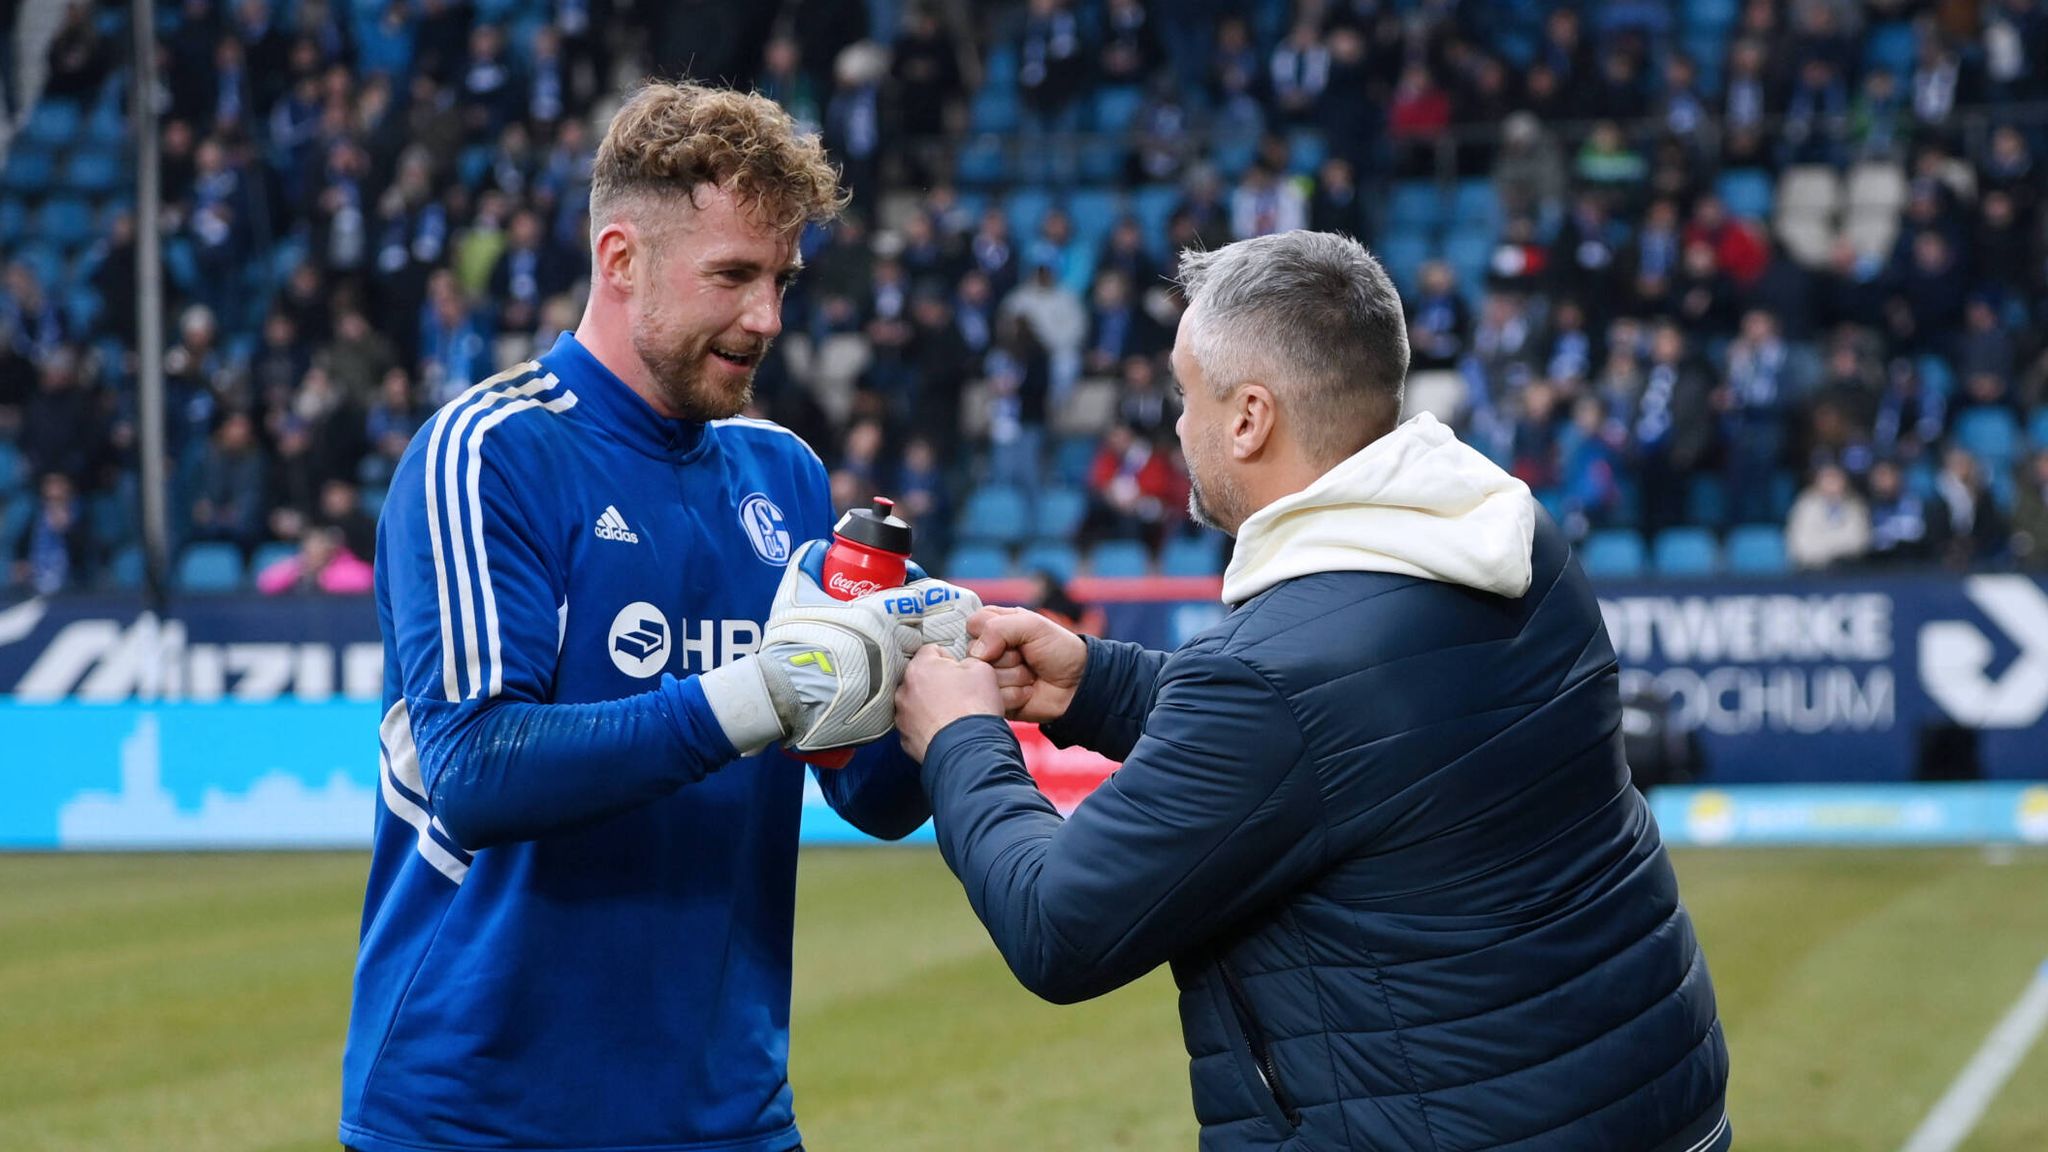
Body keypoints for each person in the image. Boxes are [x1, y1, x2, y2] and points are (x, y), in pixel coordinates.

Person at [894, 231, 1730, 1151]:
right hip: (1650, 1106)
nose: (1177, 426)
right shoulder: (1510, 533)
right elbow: (1363, 733)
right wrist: (1099, 682)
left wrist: (961, 736)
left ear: (1250, 418)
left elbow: (1059, 926)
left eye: (1186, 395)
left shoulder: (1277, 675)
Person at [340, 82, 976, 1152]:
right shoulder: (490, 452)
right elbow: (475, 768)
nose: (766, 318)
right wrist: (755, 693)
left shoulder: (780, 473)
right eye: (732, 276)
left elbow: (867, 795)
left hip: (728, 1114)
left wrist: (927, 681)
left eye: (780, 280)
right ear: (620, 259)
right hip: (484, 1116)